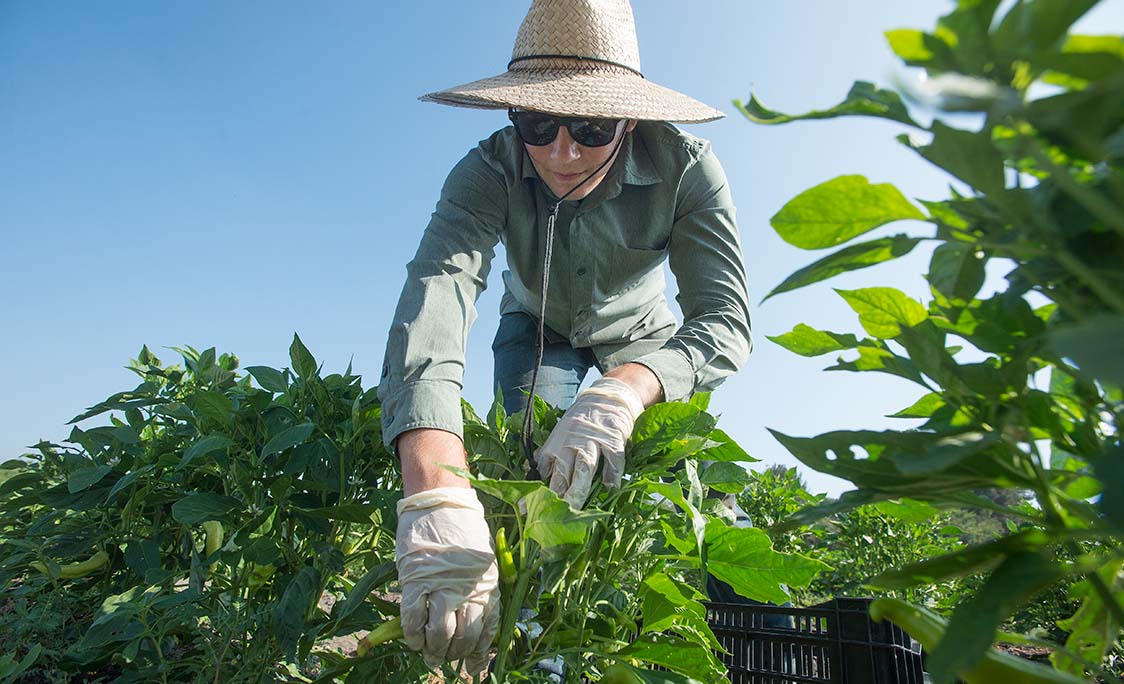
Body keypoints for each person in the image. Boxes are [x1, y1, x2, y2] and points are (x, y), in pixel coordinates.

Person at [377, 0, 752, 671]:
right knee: (534, 482)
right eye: (537, 122)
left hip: (640, 340)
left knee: (660, 484)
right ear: (512, 115)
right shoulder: (486, 172)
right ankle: (525, 648)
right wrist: (432, 483)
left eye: (592, 125)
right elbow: (437, 294)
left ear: (631, 117)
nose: (562, 152)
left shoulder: (688, 168)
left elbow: (723, 322)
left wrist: (627, 390)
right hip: (536, 326)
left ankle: (661, 640)